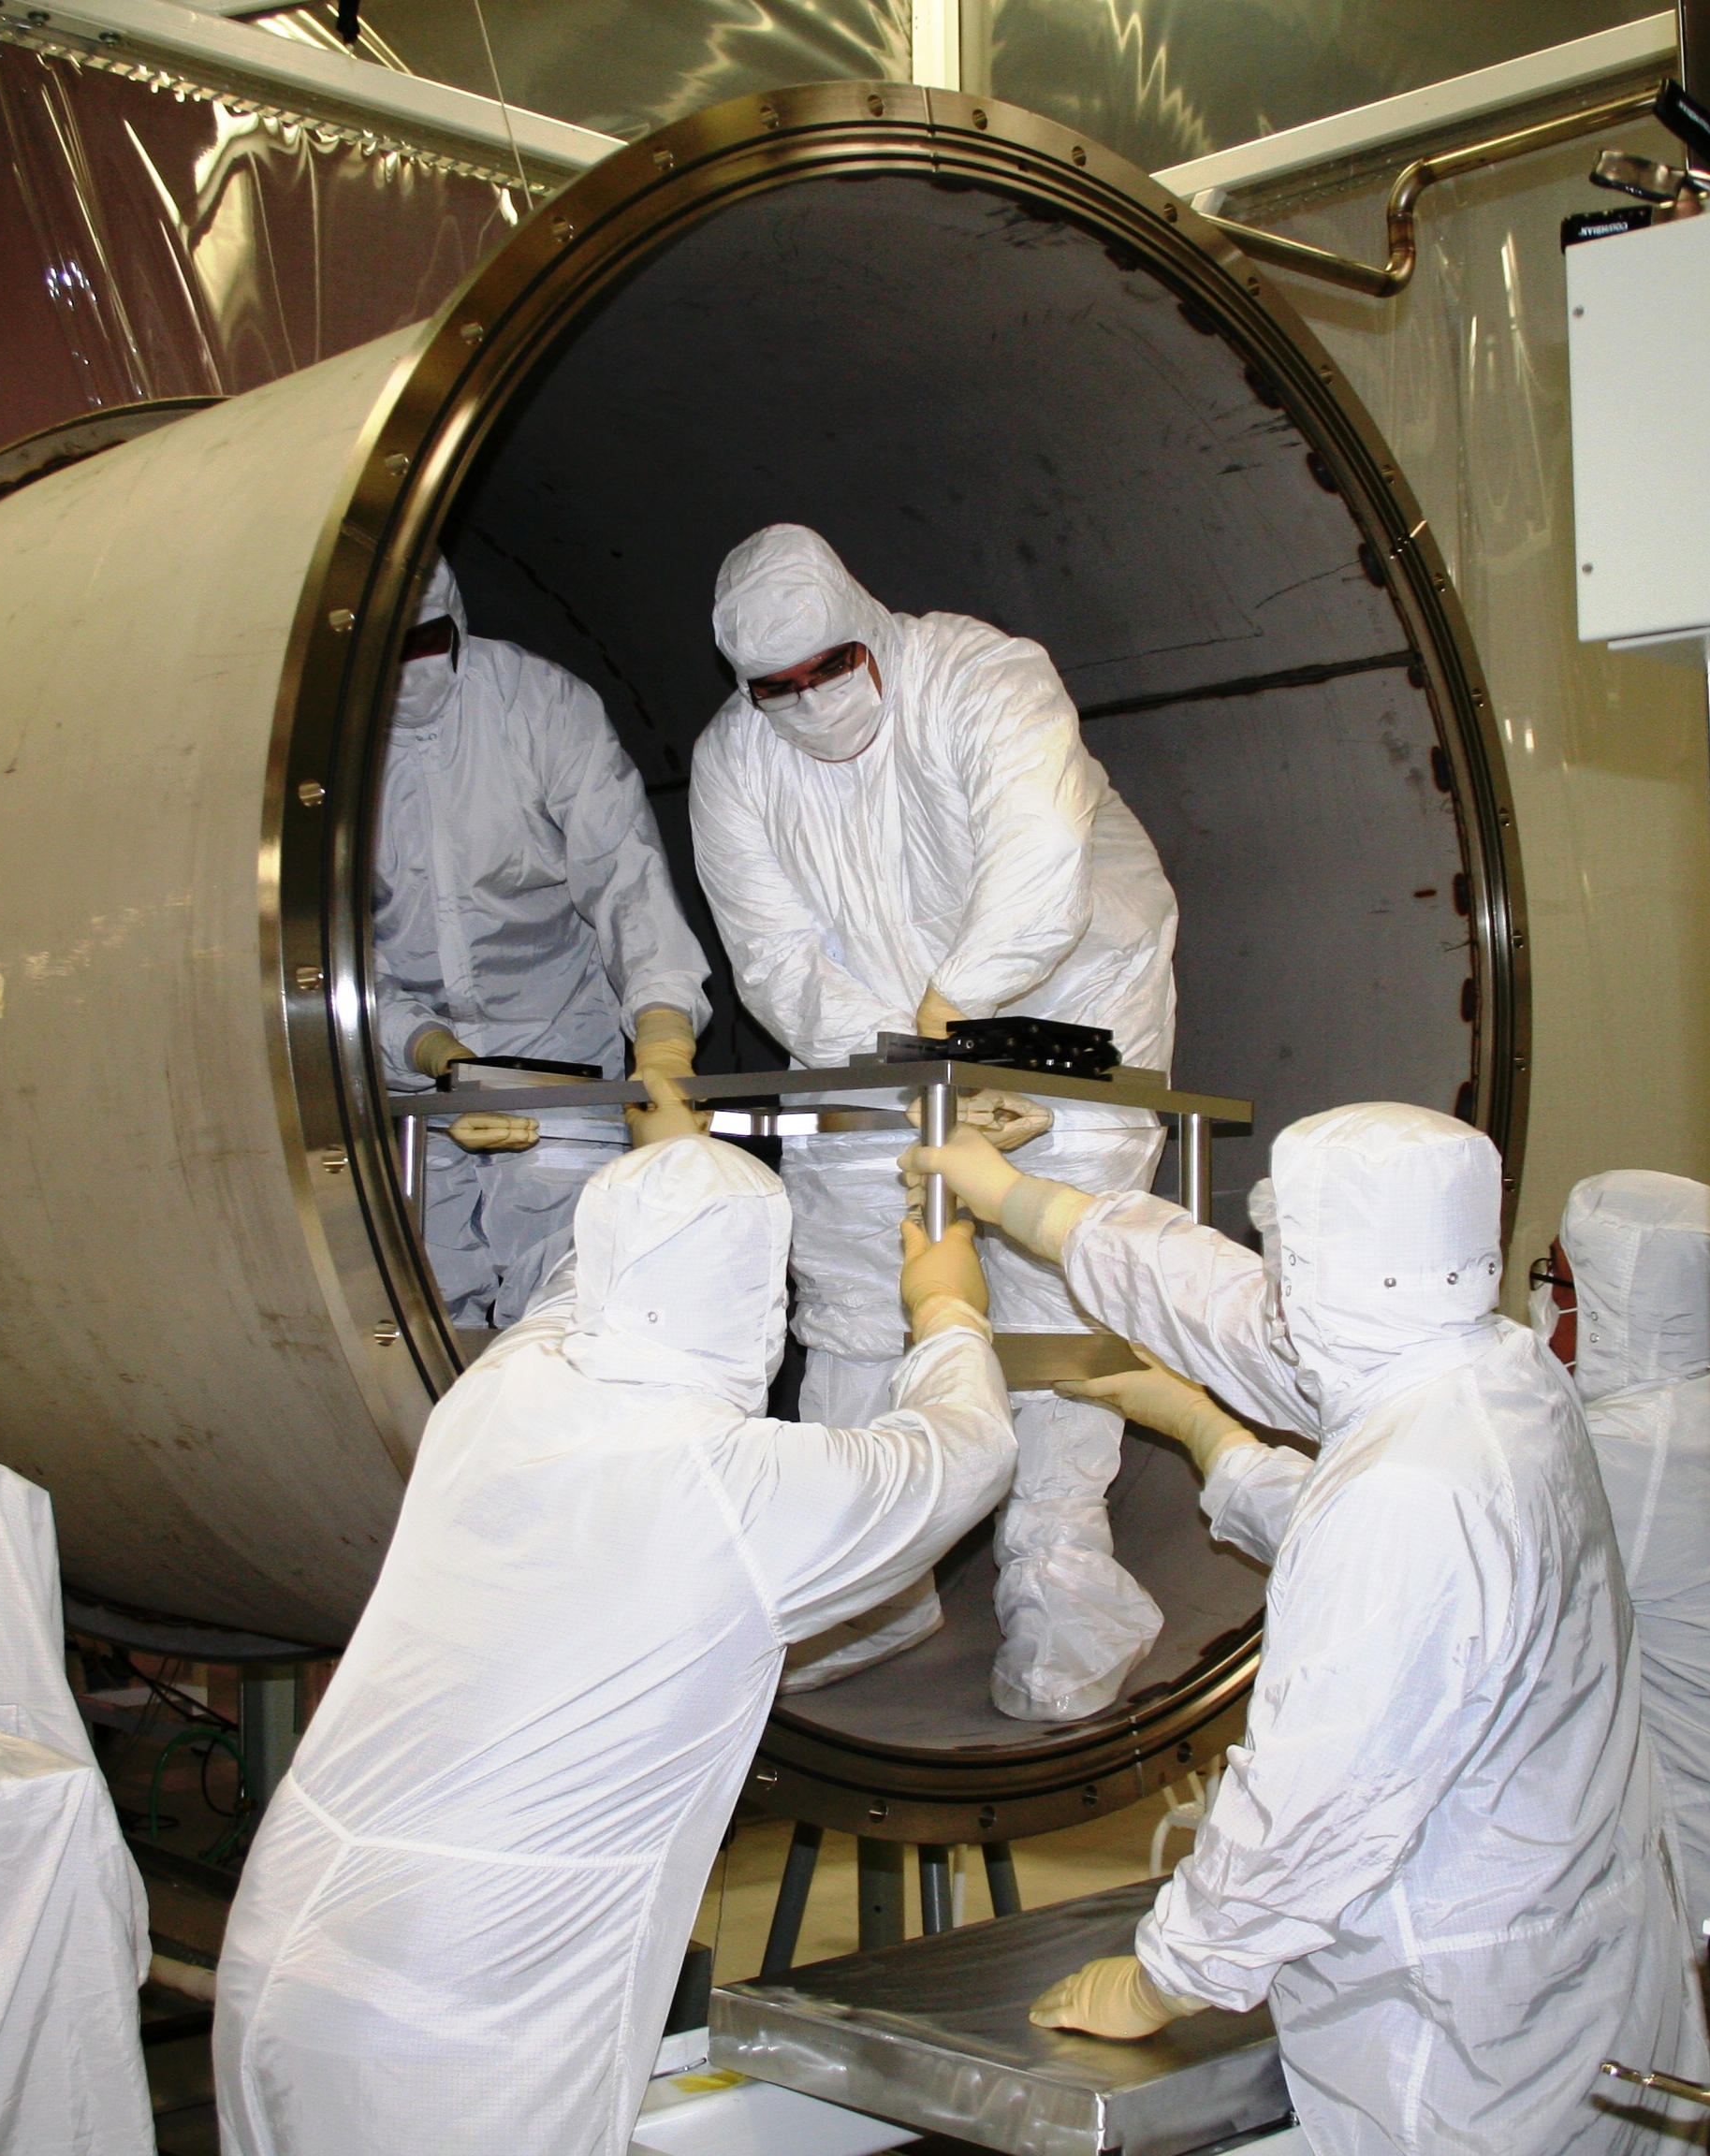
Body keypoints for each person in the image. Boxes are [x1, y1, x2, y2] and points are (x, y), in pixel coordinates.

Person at [212, 1085, 1016, 2156]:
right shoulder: (734, 1487)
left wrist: (663, 1177)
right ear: (762, 1292)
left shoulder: (501, 1389)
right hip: (464, 2011)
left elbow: (579, 1289)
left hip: (286, 1932)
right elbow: (964, 1455)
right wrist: (948, 1309)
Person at [905, 1102, 1703, 2155]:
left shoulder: (1405, 1495)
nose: (1271, 1282)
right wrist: (1026, 1204)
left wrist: (1164, 1977)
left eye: (1286, 1256)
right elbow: (1244, 1322)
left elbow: (1316, 1801)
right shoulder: (1497, 1375)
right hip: (1571, 1966)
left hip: (1460, 2040)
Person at [689, 523, 1180, 1722]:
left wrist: (957, 1013)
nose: (810, 701)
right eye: (777, 688)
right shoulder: (732, 761)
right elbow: (774, 955)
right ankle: (865, 1581)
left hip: (1072, 1009)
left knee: (1055, 1294)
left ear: (868, 623)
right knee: (860, 1289)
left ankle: (1065, 1583)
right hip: (877, 1040)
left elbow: (1040, 865)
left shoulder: (985, 676)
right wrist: (910, 1058)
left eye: (829, 668)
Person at [376, 560, 713, 1327]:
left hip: (557, 1056)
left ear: (456, 623)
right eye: (388, 651)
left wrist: (663, 1033)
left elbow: (625, 879)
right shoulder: (328, 753)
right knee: (420, 1309)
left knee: (567, 1299)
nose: (410, 669)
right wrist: (429, 1051)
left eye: (425, 642)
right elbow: (330, 949)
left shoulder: (540, 707)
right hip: (409, 1080)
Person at [1540, 1171, 1710, 1935]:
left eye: (1556, 1281)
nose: (1541, 1305)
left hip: (1682, 1860)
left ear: (1609, 1310)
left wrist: (1218, 1441)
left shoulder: (1619, 1451)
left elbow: (1412, 1539)